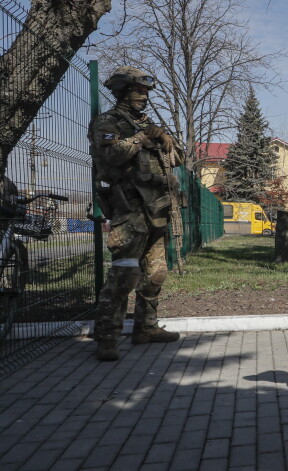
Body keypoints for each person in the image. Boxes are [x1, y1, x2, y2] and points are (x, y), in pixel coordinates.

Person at [88, 66, 182, 361]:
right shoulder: (108, 121)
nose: (143, 96)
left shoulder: (147, 123)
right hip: (129, 210)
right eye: (138, 91)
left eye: (145, 92)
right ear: (122, 91)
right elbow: (112, 155)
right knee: (125, 274)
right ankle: (107, 337)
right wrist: (142, 139)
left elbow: (175, 158)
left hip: (156, 208)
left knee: (156, 274)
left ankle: (146, 328)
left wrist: (168, 141)